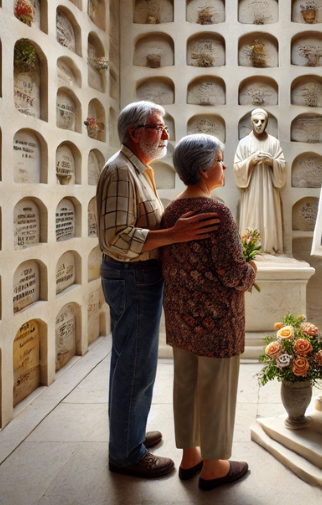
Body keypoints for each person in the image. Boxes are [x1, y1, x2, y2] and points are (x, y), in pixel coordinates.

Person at [97, 102, 220, 479]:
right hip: (132, 276)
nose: (166, 134)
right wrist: (174, 234)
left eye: (164, 127)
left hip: (137, 277)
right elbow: (115, 238)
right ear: (135, 132)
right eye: (158, 127)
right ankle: (127, 454)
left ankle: (127, 435)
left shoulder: (136, 169)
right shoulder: (120, 171)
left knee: (131, 361)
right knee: (135, 365)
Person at [160, 134, 256, 491]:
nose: (225, 166)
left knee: (185, 384)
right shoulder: (217, 211)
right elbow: (234, 273)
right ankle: (215, 466)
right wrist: (252, 269)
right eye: (219, 160)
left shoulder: (171, 211)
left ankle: (190, 456)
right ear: (203, 169)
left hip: (182, 318)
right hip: (217, 321)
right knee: (215, 389)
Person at [233, 108, 286, 255]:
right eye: (256, 121)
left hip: (269, 188)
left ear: (266, 122)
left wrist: (271, 162)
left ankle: (270, 248)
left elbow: (282, 165)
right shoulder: (244, 143)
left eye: (262, 121)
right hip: (252, 190)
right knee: (252, 217)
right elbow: (237, 167)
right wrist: (250, 161)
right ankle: (250, 250)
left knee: (269, 217)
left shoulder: (274, 143)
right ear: (251, 122)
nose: (259, 124)